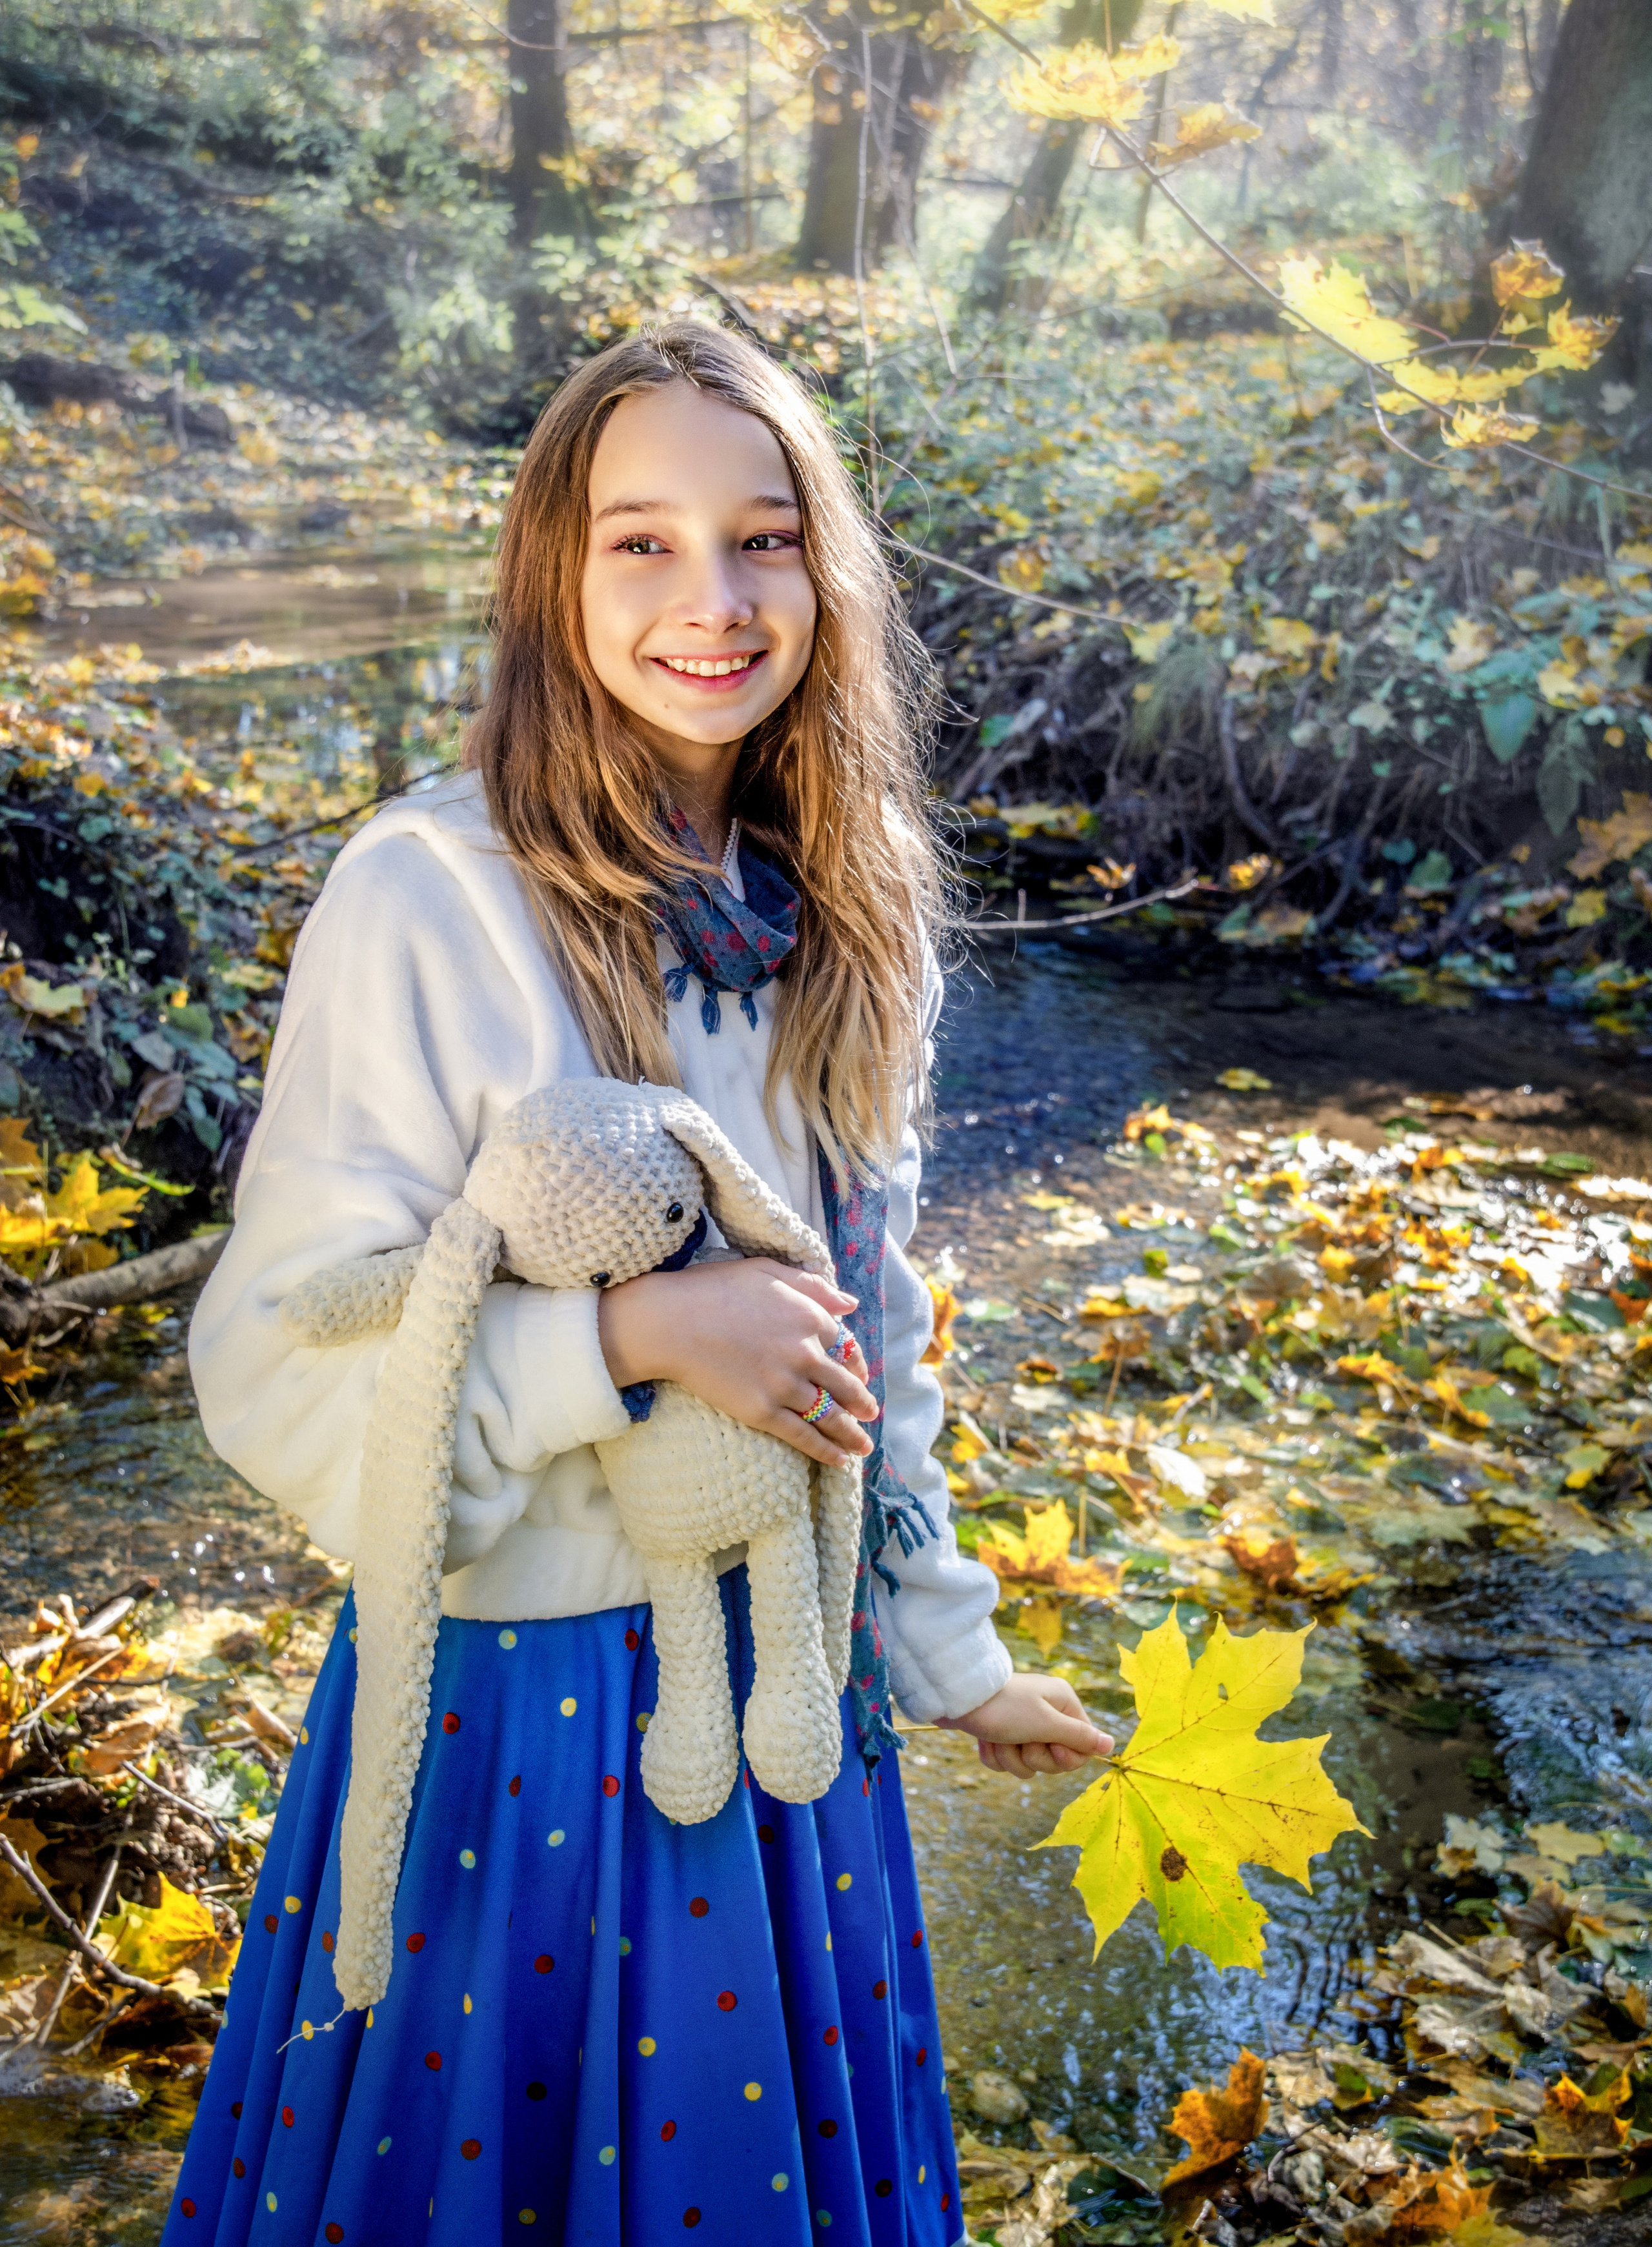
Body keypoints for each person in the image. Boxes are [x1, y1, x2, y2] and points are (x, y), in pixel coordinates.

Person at [164, 319, 1111, 2247]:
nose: (714, 597)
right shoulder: (432, 894)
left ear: (826, 575)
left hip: (795, 1710)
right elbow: (270, 1356)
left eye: (765, 539)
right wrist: (620, 1336)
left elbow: (872, 1322)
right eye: (644, 542)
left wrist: (949, 1649)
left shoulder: (846, 907)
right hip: (515, 1726)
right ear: (553, 571)